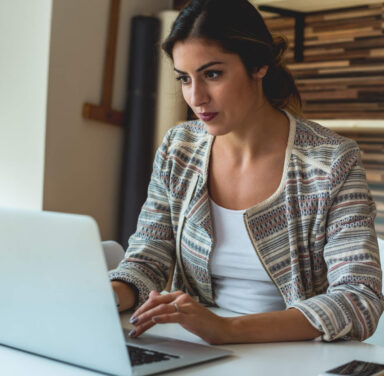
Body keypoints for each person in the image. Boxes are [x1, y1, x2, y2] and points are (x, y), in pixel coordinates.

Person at [110, 0, 383, 345]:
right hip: (197, 350)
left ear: (259, 66)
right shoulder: (178, 148)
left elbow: (359, 298)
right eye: (184, 78)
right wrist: (109, 293)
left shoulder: (332, 162)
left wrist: (227, 331)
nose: (196, 97)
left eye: (212, 74)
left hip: (294, 357)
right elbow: (148, 257)